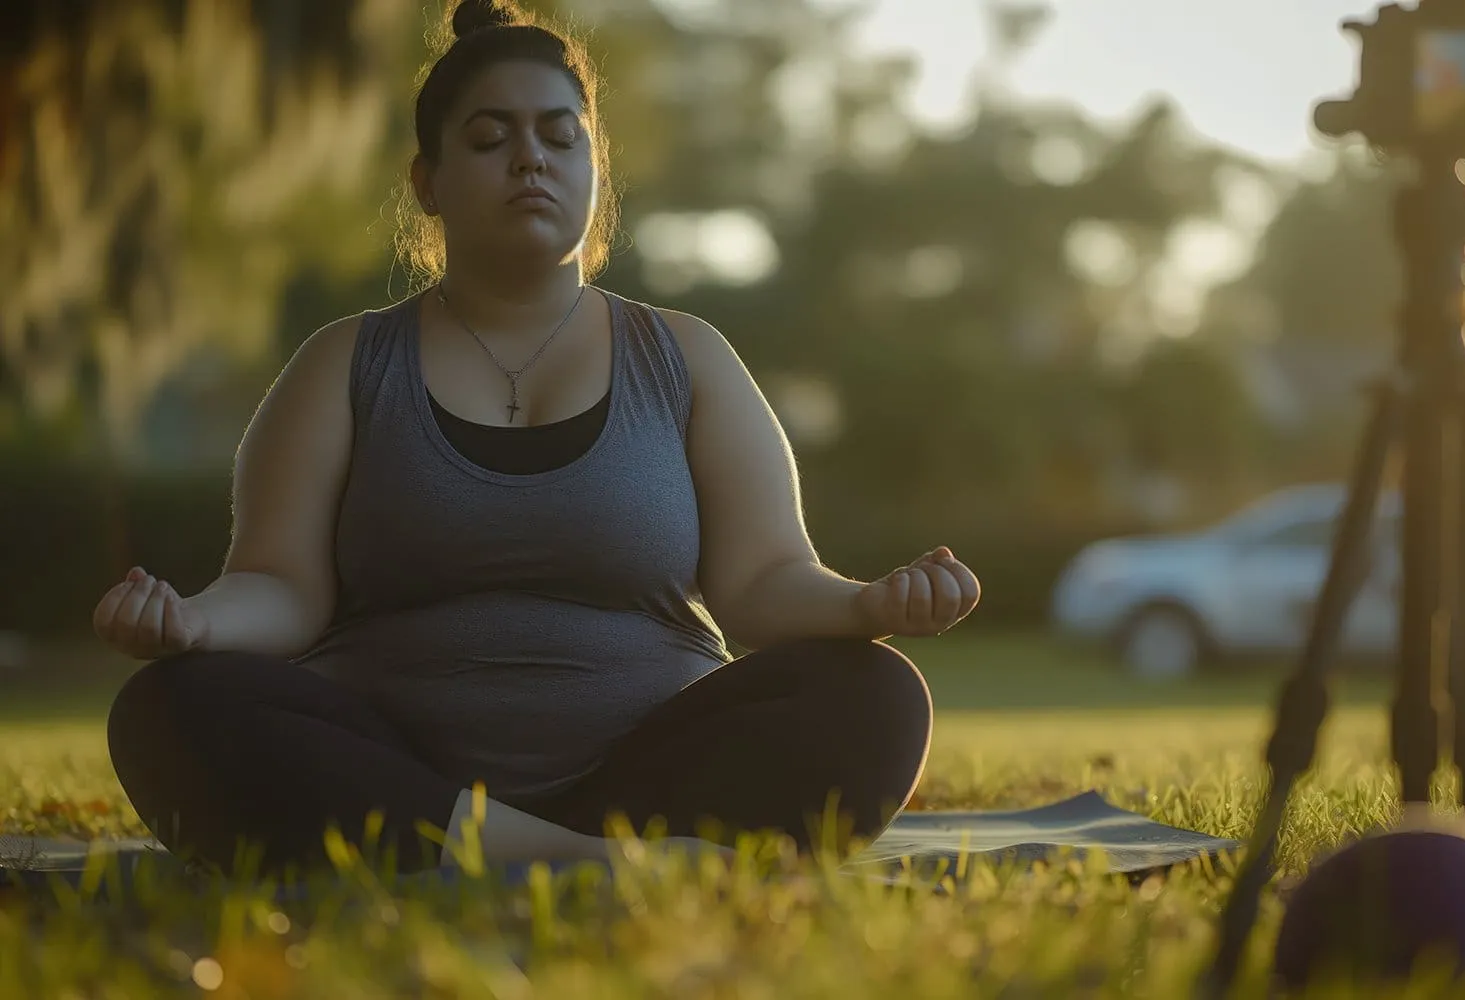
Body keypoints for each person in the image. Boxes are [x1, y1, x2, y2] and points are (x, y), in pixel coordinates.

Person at [93, 0, 982, 879]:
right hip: (398, 780)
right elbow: (282, 588)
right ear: (428, 182)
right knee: (172, 705)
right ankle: (583, 864)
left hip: (648, 779)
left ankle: (534, 854)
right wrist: (193, 623)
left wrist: (870, 606)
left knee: (874, 695)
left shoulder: (686, 356)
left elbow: (763, 585)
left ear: (595, 167)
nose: (531, 159)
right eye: (491, 139)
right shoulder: (344, 363)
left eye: (562, 137)